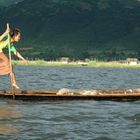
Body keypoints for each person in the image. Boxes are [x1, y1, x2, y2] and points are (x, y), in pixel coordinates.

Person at [0, 23, 27, 89]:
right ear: (14, 35)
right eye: (19, 36)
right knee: (8, 63)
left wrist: (23, 59)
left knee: (10, 67)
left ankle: (14, 83)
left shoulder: (11, 44)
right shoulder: (8, 37)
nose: (19, 38)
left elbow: (16, 52)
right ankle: (14, 83)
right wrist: (6, 32)